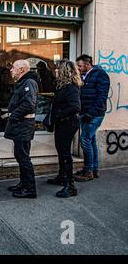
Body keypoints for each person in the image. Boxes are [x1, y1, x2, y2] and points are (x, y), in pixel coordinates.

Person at [46, 59, 82, 197]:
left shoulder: (71, 87)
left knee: (65, 154)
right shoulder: (62, 86)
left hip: (68, 123)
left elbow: (75, 106)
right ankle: (62, 177)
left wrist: (59, 114)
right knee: (61, 152)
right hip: (62, 123)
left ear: (63, 71)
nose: (55, 71)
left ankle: (70, 186)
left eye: (57, 69)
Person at [4, 59, 39, 198]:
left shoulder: (29, 83)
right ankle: (23, 184)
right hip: (20, 126)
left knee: (23, 157)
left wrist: (13, 115)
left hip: (23, 126)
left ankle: (30, 189)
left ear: (22, 70)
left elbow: (29, 105)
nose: (11, 70)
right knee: (20, 156)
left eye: (13, 67)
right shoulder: (23, 82)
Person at [75, 54, 110, 182]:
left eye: (80, 66)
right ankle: (93, 169)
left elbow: (102, 97)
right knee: (91, 140)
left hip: (94, 114)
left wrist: (91, 113)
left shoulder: (100, 74)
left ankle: (88, 170)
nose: (78, 68)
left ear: (88, 64)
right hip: (85, 113)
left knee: (84, 140)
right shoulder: (85, 75)